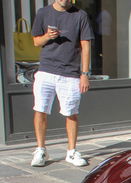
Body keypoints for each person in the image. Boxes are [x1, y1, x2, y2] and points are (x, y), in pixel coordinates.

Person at [30, 0, 94, 167]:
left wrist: (85, 74)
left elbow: (86, 45)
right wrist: (47, 36)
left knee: (71, 113)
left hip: (70, 73)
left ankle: (72, 152)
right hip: (46, 70)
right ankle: (41, 150)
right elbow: (36, 42)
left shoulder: (80, 15)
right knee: (40, 110)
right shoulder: (43, 13)